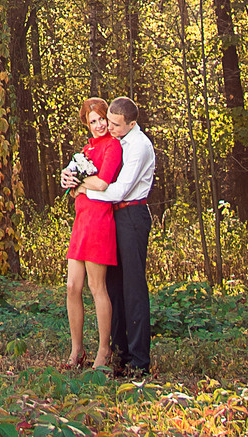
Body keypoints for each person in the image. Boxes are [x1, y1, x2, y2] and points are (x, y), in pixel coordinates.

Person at [80, 96, 156, 377]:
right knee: (114, 284)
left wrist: (84, 189)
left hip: (132, 216)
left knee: (133, 287)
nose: (108, 127)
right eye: (107, 121)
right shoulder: (115, 141)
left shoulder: (138, 146)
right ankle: (120, 352)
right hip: (111, 216)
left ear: (132, 123)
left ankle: (139, 360)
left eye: (115, 123)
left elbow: (121, 189)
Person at [59, 97, 121, 372]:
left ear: (108, 118)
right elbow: (73, 185)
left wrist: (83, 184)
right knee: (73, 287)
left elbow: (104, 182)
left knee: (97, 288)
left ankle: (104, 350)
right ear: (87, 124)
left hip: (99, 222)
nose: (98, 125)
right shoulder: (85, 150)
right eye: (92, 121)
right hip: (81, 220)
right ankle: (77, 349)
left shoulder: (113, 146)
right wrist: (69, 180)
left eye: (101, 119)